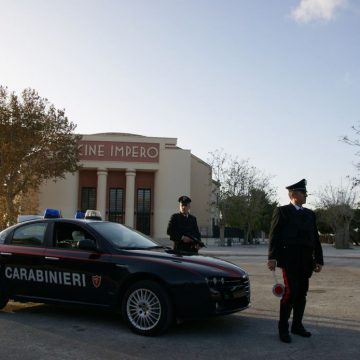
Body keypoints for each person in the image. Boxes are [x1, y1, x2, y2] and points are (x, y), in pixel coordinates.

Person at [267, 179, 324, 343]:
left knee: (302, 293)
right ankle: (283, 328)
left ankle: (297, 325)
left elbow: (315, 239)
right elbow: (274, 236)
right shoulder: (282, 212)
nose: (306, 195)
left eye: (306, 193)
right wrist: (272, 257)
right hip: (289, 260)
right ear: (293, 194)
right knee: (290, 293)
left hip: (306, 261)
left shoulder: (310, 214)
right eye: (303, 192)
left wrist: (318, 259)